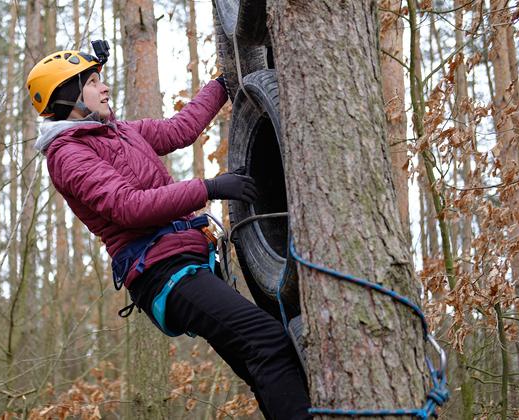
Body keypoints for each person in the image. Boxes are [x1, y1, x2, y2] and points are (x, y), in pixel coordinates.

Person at [26, 43, 310, 419]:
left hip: (187, 261)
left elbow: (181, 129)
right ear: (68, 100)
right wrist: (209, 187)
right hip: (163, 273)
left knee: (260, 360)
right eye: (93, 83)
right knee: (267, 340)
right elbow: (128, 206)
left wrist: (223, 83)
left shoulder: (120, 133)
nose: (105, 88)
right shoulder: (69, 154)